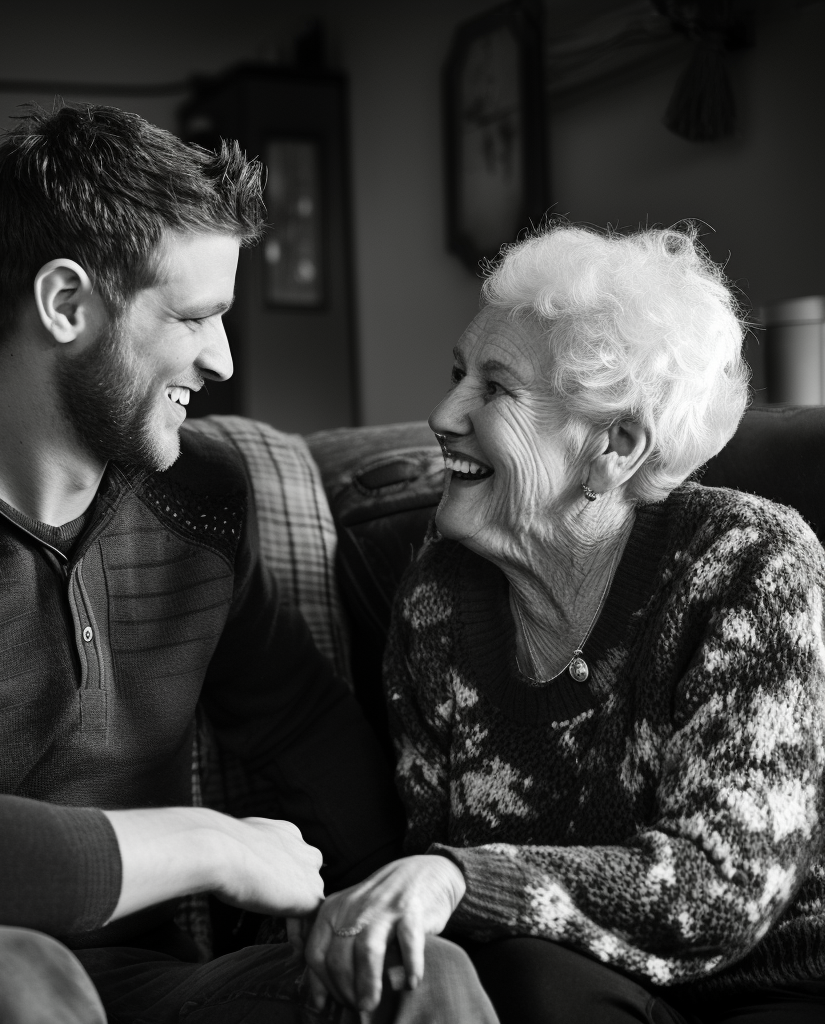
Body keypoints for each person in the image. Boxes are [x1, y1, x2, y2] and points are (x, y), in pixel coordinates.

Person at [0, 103, 412, 1023]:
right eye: (195, 316)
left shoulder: (201, 499)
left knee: (416, 976)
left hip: (148, 982)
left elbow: (306, 731)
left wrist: (372, 911)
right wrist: (210, 844)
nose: (222, 359)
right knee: (14, 987)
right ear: (65, 304)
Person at [303, 225, 825, 1023]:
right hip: (572, 987)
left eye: (496, 389)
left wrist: (470, 879)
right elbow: (431, 868)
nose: (443, 414)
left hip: (774, 983)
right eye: (457, 374)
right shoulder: (436, 599)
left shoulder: (747, 561)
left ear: (615, 444)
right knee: (520, 979)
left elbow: (723, 889)